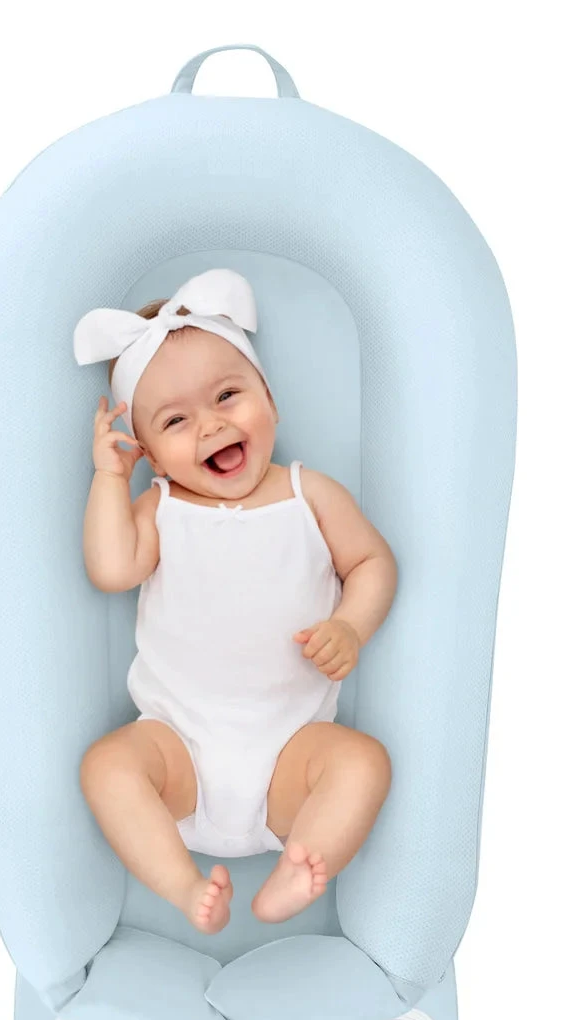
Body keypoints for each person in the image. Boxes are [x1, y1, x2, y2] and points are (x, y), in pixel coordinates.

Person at [73, 268, 396, 934]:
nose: (212, 425)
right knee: (105, 767)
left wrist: (350, 627)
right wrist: (109, 479)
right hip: (178, 749)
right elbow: (110, 569)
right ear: (150, 453)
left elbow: (371, 563)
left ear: (269, 399)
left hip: (291, 755)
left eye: (227, 395)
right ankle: (181, 883)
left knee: (364, 763)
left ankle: (300, 867)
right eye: (176, 421)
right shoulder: (160, 507)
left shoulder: (310, 495)